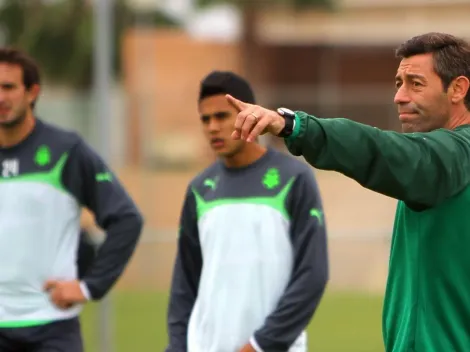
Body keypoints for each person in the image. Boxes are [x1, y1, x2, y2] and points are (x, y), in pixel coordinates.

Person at [226, 32, 470, 352]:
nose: (399, 96)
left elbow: (383, 150)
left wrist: (295, 126)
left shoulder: (452, 155)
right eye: (399, 83)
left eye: (416, 83)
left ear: (458, 89)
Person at [165, 71, 329, 352]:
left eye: (221, 116)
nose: (212, 127)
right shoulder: (199, 189)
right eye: (205, 119)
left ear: (248, 115)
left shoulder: (294, 179)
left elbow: (312, 275)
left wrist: (260, 344)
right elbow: (184, 283)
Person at [0, 47, 143, 351]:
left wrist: (90, 287)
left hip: (51, 328)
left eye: (8, 87)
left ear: (32, 92)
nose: (1, 98)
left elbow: (126, 219)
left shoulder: (66, 151)